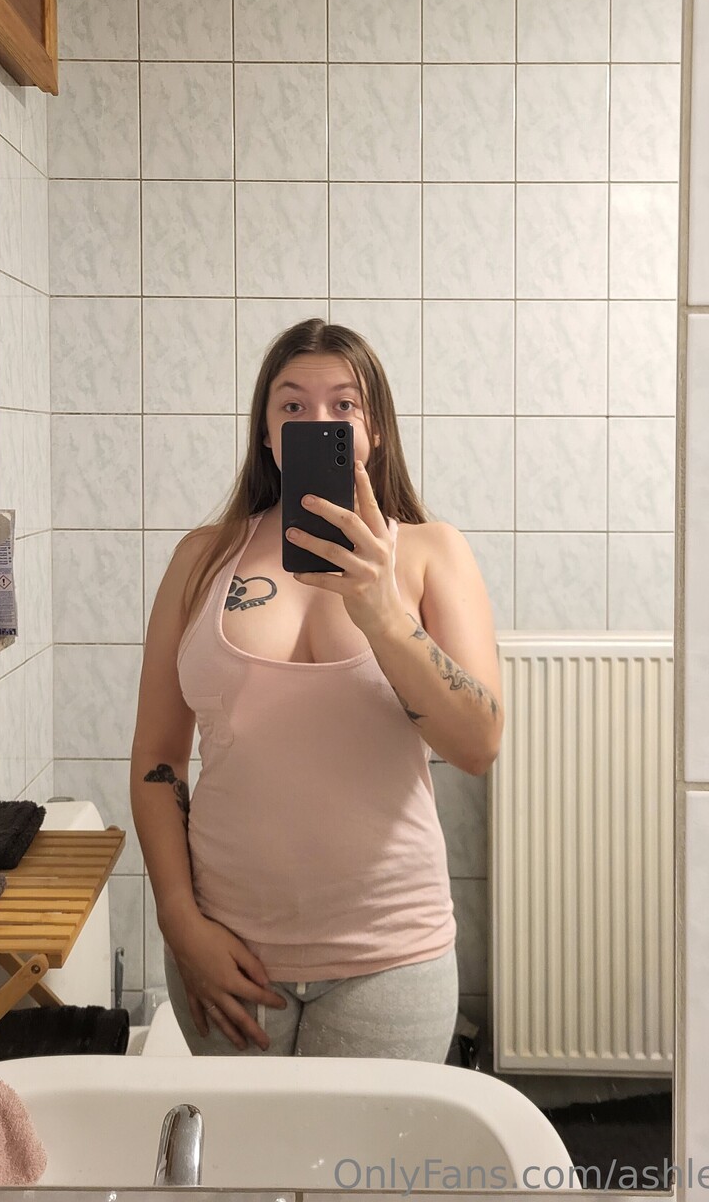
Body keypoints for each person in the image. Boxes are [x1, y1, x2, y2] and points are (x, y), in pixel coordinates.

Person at [130, 317, 503, 1061]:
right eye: (293, 405)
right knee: (240, 1143)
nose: (317, 421)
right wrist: (178, 919)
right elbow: (157, 760)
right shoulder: (201, 559)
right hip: (224, 946)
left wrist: (382, 613)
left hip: (392, 952)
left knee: (368, 1145)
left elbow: (477, 744)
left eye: (344, 405)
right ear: (268, 434)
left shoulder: (431, 553)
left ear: (375, 432)